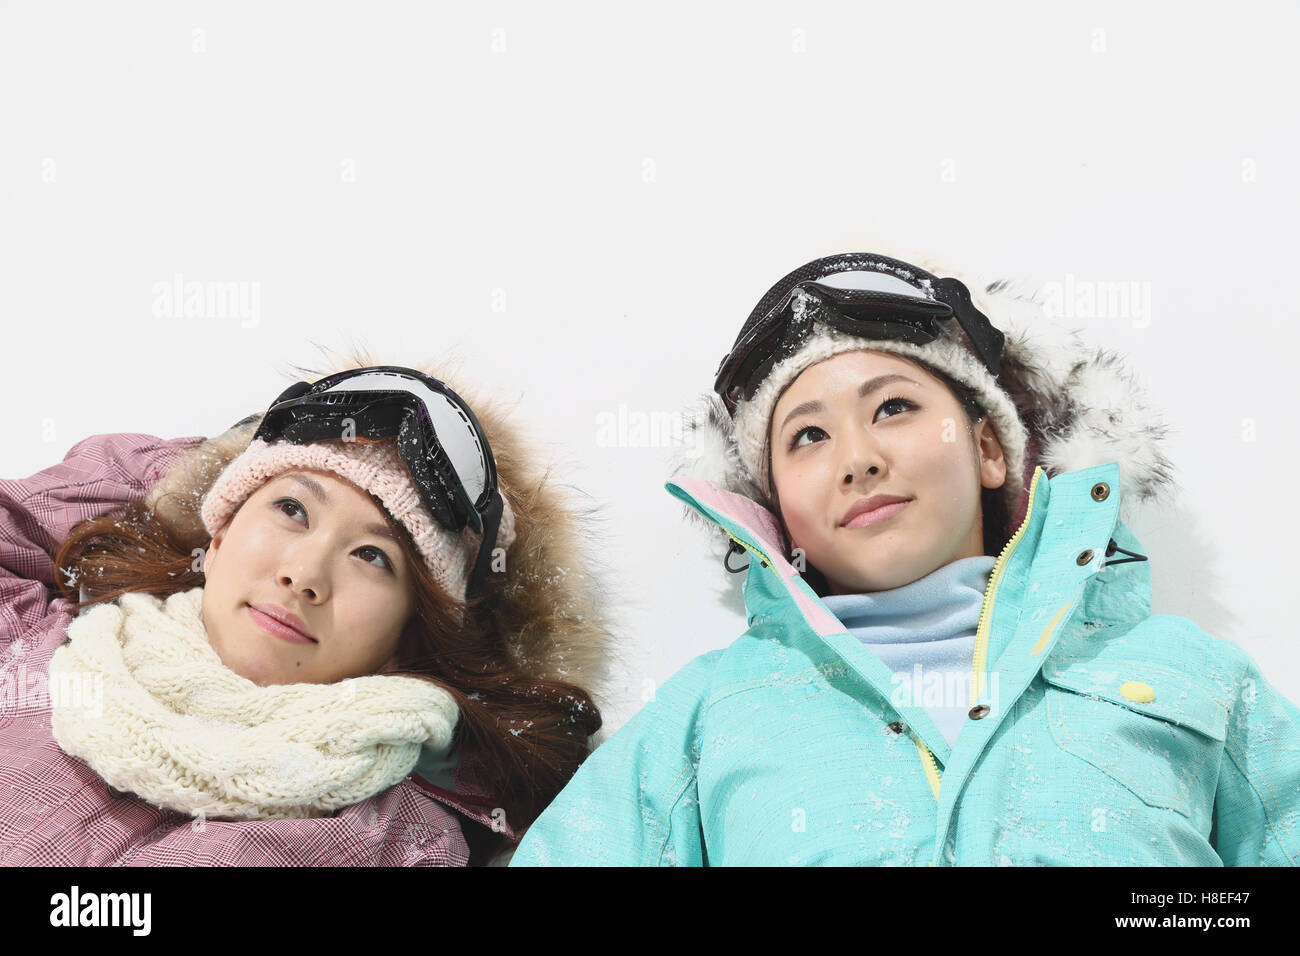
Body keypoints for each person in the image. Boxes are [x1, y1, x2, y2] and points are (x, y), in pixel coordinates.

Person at [510, 251, 1300, 866]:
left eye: (894, 407)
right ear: (776, 507)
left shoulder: (1191, 676)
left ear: (990, 449)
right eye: (808, 436)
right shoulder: (707, 716)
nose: (857, 458)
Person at [0, 349, 610, 866]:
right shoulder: (39, 635)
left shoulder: (388, 838)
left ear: (410, 635)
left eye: (374, 556)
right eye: (291, 509)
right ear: (218, 534)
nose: (304, 575)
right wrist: (188, 480)